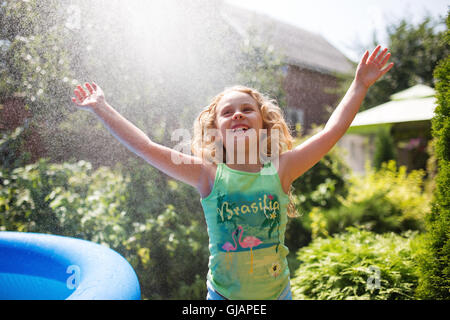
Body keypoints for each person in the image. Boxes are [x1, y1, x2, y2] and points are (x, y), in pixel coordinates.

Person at [72, 45, 393, 300]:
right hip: (222, 296)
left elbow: (330, 133)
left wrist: (359, 85)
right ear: (217, 131)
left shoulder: (282, 170)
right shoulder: (208, 176)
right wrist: (101, 107)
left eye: (247, 109)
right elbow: (146, 146)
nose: (238, 114)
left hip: (278, 294)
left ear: (263, 125)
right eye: (228, 112)